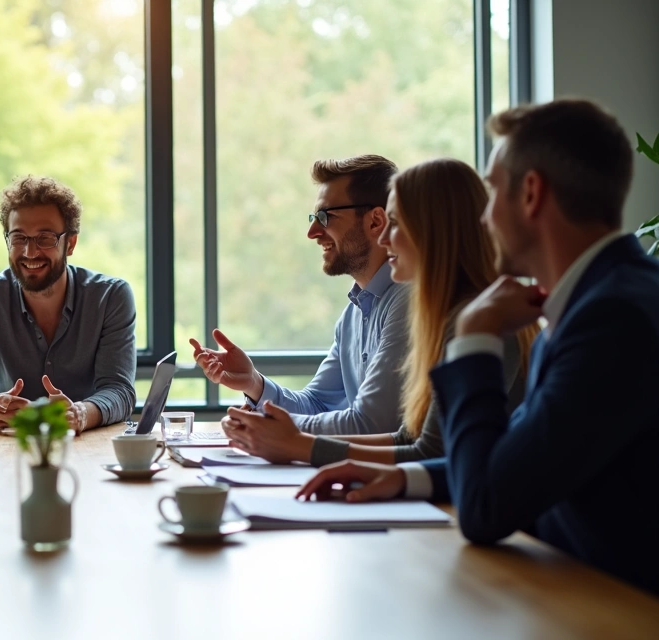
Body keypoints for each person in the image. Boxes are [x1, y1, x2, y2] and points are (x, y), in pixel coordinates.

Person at [298, 99, 659, 596]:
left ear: (531, 193)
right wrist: (408, 479)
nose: (484, 217)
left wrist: (474, 337)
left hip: (612, 609)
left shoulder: (611, 319)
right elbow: (515, 457)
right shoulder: (601, 299)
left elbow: (486, 507)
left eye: (492, 192)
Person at [220, 159, 537, 466]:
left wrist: (294, 442)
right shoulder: (370, 311)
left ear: (432, 231)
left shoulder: (470, 318)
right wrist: (262, 400)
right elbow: (412, 440)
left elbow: (418, 445)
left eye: (395, 223)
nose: (384, 238)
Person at [191, 155, 410, 436]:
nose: (312, 232)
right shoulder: (353, 315)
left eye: (325, 216)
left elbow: (371, 424)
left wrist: (267, 425)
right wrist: (254, 383)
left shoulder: (406, 302)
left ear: (375, 221)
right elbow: (317, 404)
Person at [0, 175, 136, 434]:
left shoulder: (110, 297)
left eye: (45, 238)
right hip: (3, 448)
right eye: (19, 238)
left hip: (84, 446)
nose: (30, 253)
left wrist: (80, 414)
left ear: (71, 244)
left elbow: (119, 390)